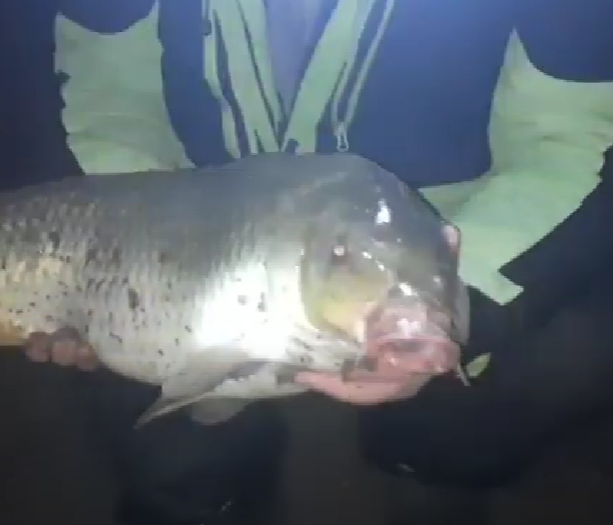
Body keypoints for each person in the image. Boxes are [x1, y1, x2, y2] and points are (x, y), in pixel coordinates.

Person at [35, 1, 613, 524]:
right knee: (166, 445)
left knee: (486, 407)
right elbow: (108, 105)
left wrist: (460, 300)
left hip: (452, 242)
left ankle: (429, 476)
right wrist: (117, 261)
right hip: (200, 249)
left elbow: (566, 143)